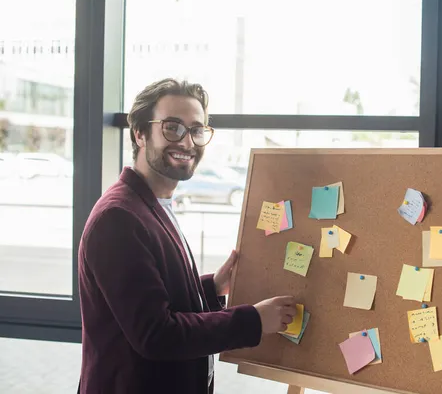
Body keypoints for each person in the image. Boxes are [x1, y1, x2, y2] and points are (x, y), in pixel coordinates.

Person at [77, 78, 297, 394]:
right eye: (172, 127)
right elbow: (156, 334)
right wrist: (254, 321)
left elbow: (154, 299)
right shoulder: (118, 217)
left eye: (196, 130)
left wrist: (210, 287)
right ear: (140, 133)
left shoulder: (152, 203)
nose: (187, 142)